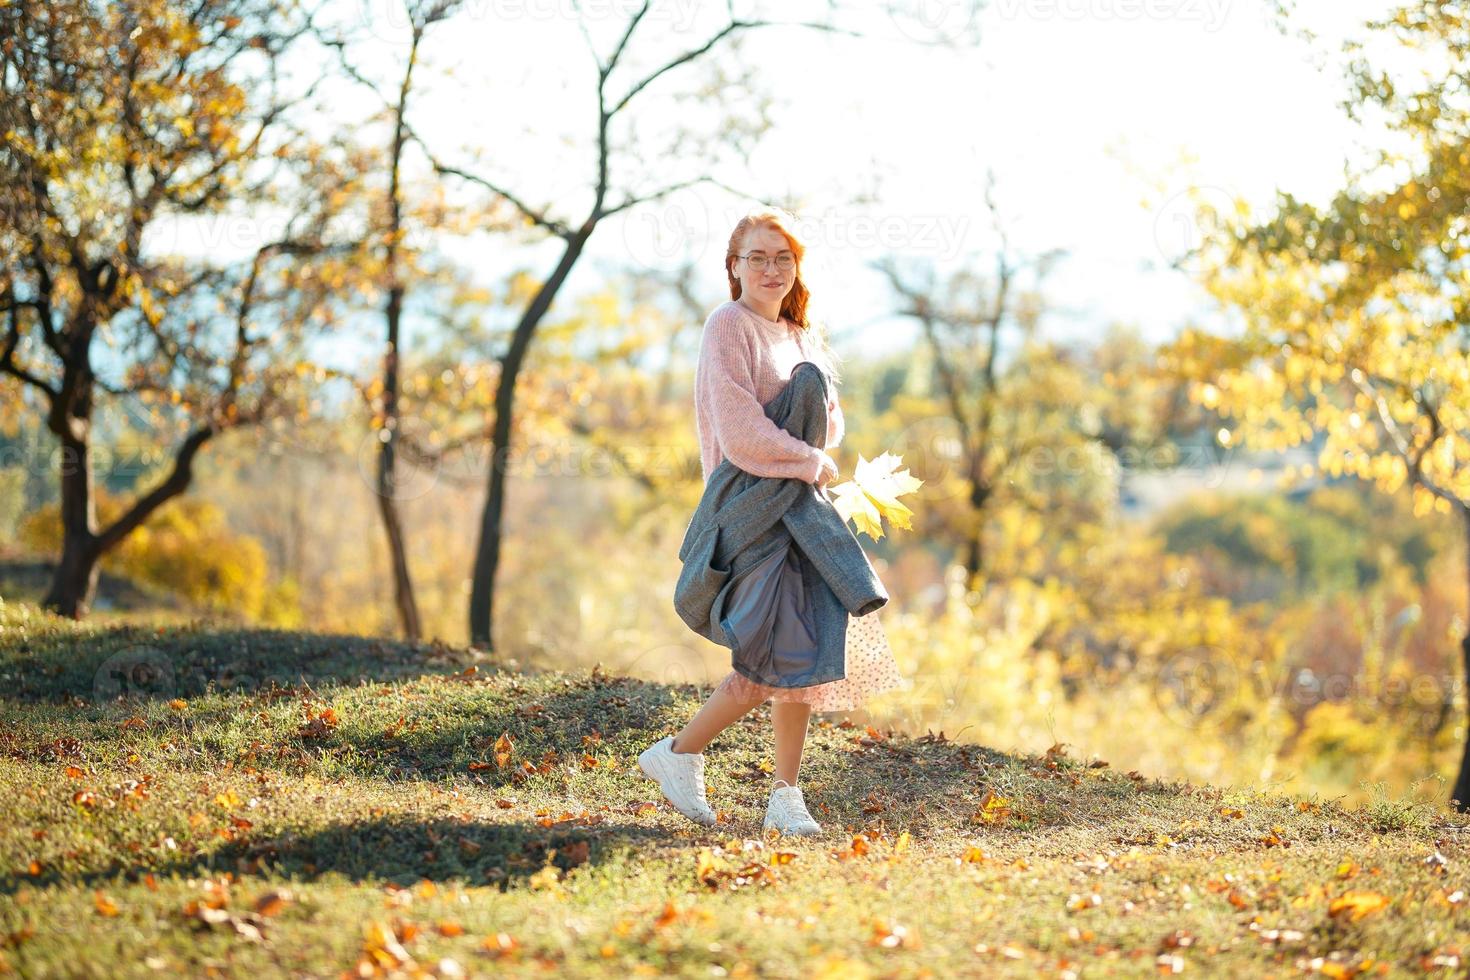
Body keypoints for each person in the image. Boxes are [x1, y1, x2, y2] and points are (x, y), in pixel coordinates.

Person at [638, 206, 910, 836]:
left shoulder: (800, 333)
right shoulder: (727, 326)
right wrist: (809, 457)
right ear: (733, 268)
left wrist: (814, 437)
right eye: (756, 257)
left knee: (803, 647)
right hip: (752, 505)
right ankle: (679, 754)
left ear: (797, 268)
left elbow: (830, 423)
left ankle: (783, 795)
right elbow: (739, 433)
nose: (770, 268)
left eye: (782, 257)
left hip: (801, 510)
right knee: (770, 653)